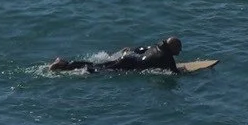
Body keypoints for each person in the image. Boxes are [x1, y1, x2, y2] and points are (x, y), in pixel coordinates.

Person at [48, 36, 181, 74]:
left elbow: (141, 48)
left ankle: (65, 63)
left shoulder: (156, 46)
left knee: (97, 65)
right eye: (178, 48)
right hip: (129, 64)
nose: (179, 52)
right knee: (96, 69)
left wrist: (130, 49)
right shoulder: (166, 57)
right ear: (172, 47)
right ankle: (63, 67)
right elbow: (175, 72)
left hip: (128, 58)